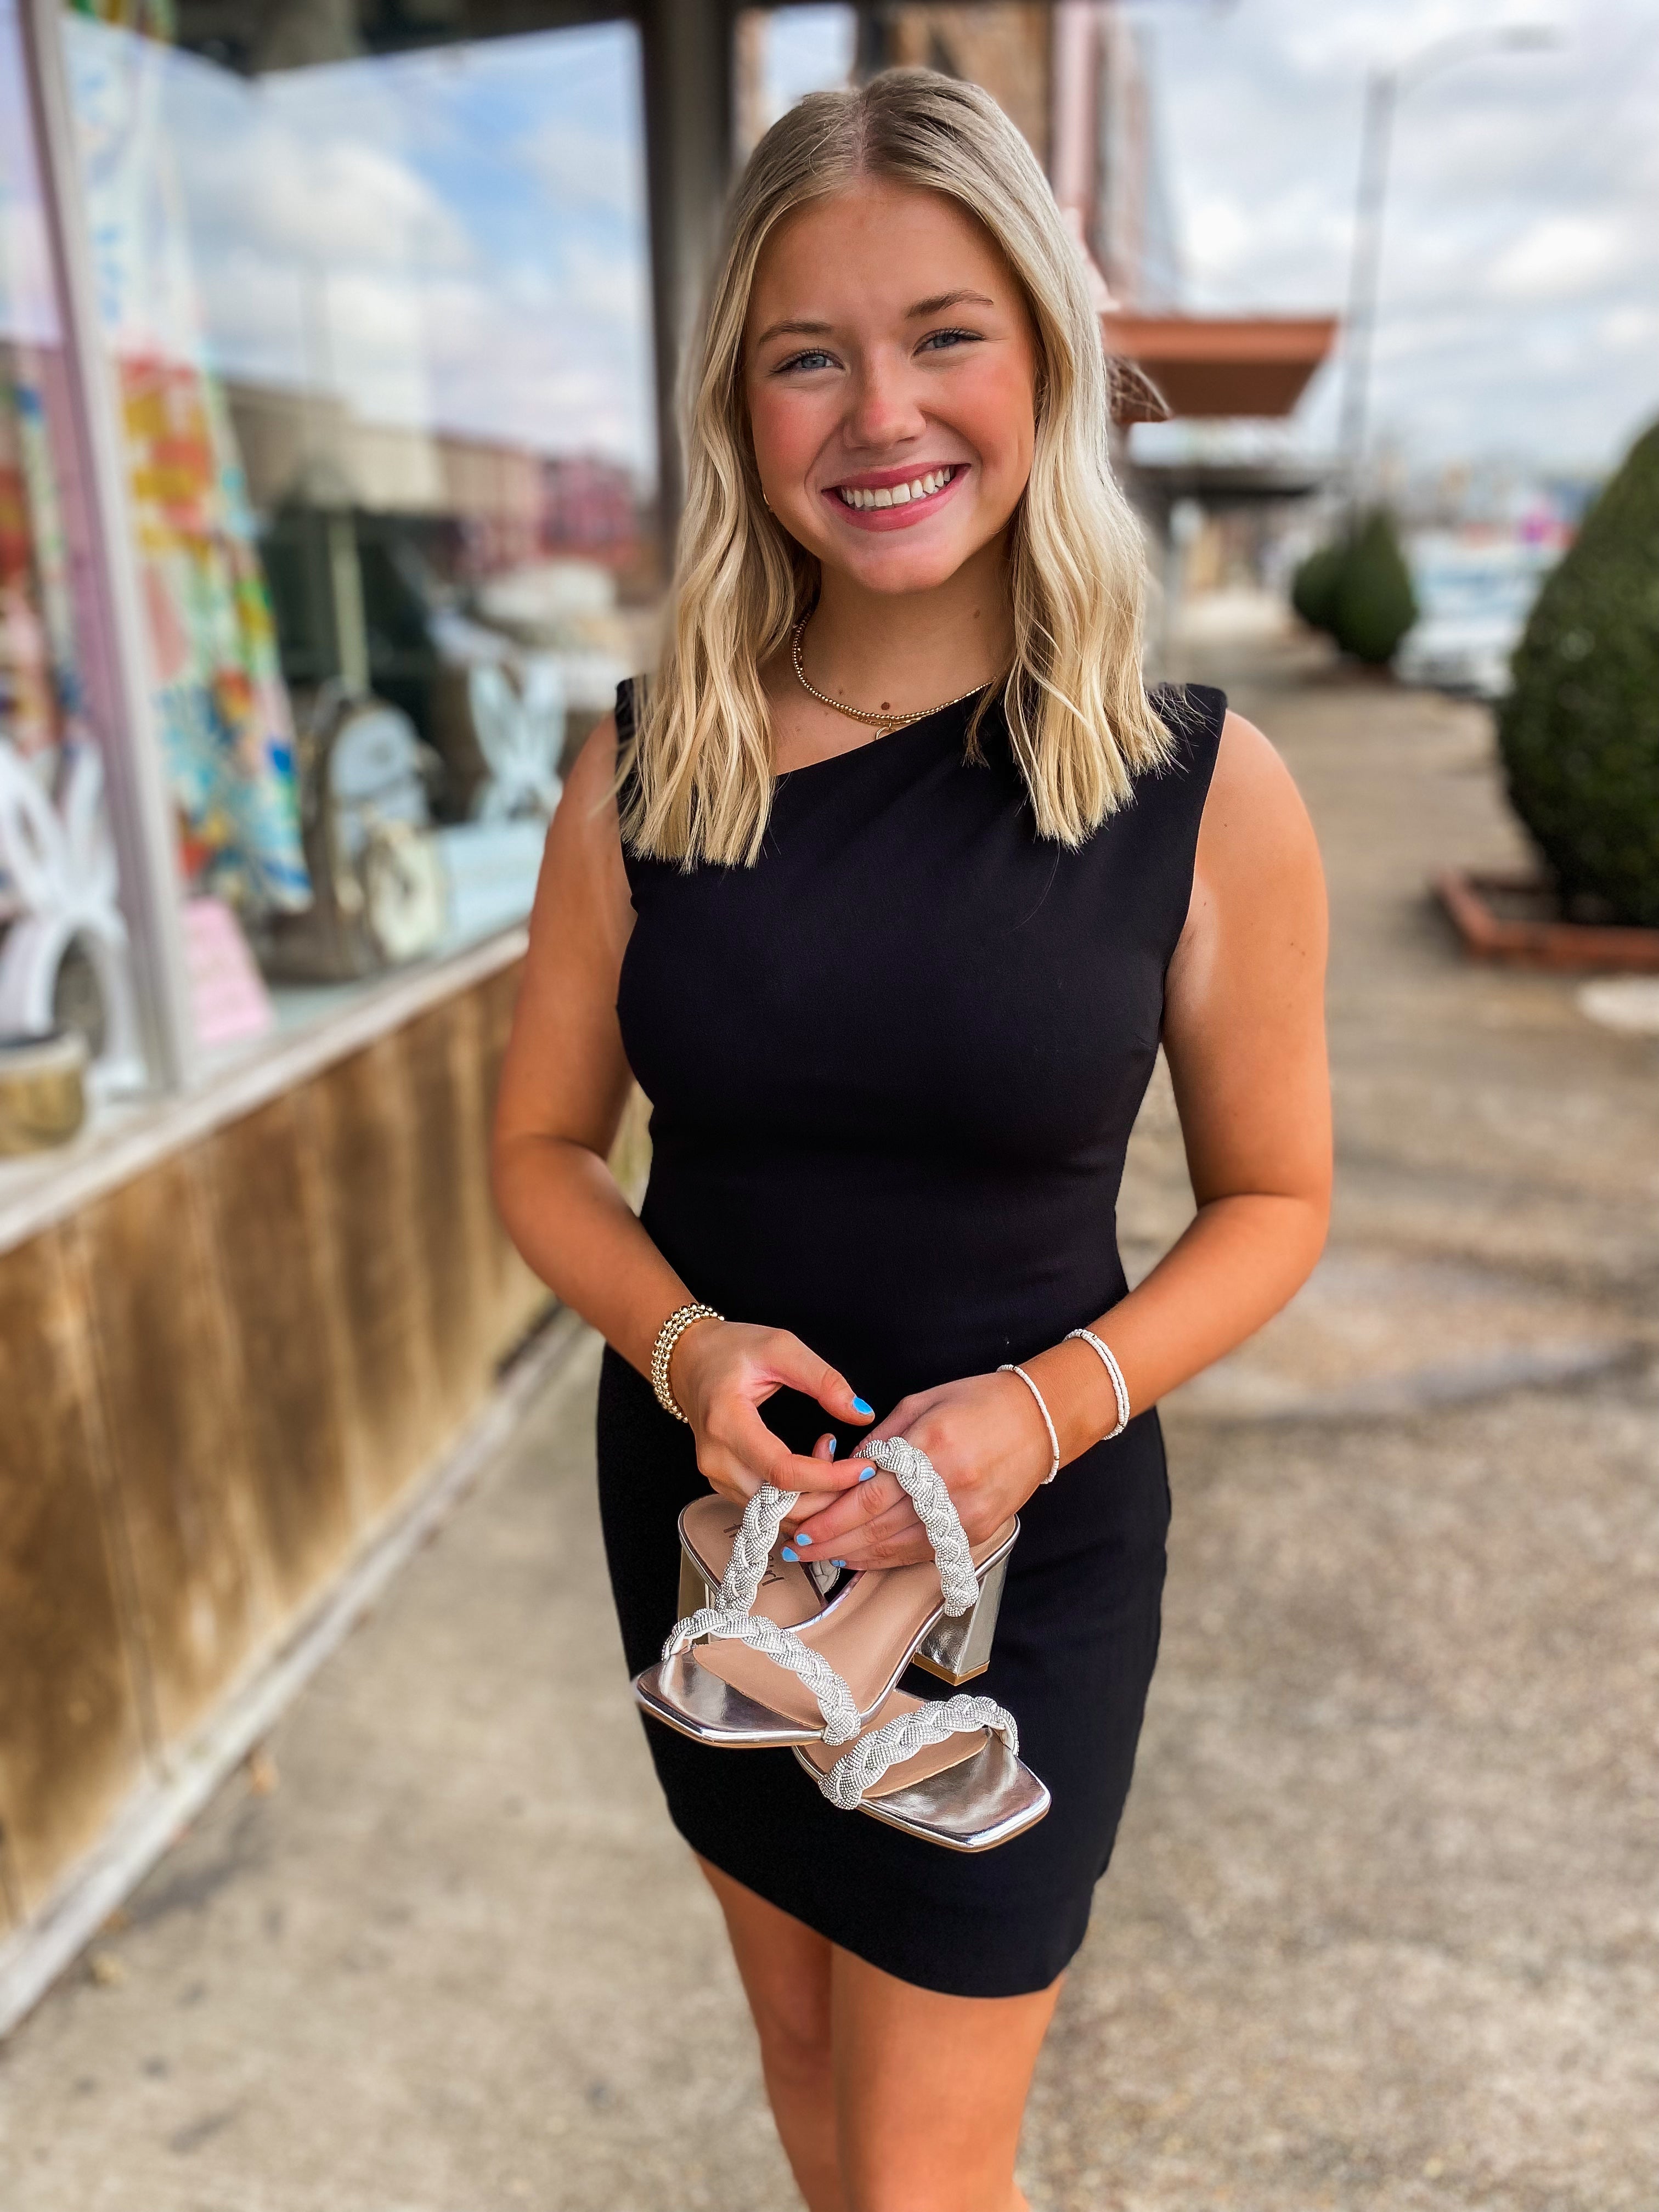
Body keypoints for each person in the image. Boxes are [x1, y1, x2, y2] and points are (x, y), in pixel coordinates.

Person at [493, 69, 1329, 2212]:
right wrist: (688, 1353)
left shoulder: (1196, 788)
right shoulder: (645, 770)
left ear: (1041, 349)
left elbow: (1275, 1203)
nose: (882, 412)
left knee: (933, 2165)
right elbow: (541, 1159)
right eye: (808, 355)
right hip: (720, 1540)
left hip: (1023, 1549)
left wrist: (1038, 1419)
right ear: (739, 408)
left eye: (944, 332)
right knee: (804, 2069)